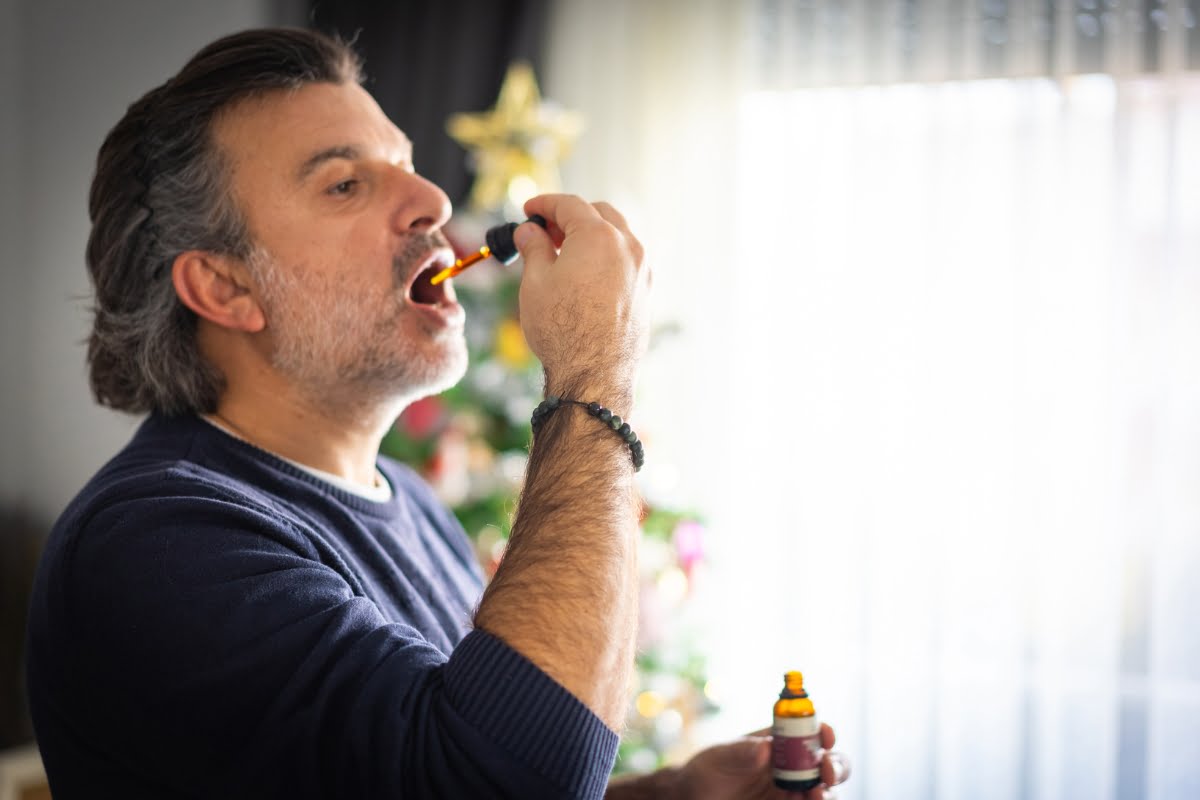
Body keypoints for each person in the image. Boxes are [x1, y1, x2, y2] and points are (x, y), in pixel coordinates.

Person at [25, 28, 849, 799]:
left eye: (410, 166)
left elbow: (425, 769)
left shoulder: (407, 500)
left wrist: (673, 792)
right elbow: (494, 782)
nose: (430, 198)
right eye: (346, 182)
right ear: (224, 287)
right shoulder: (157, 543)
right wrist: (596, 371)